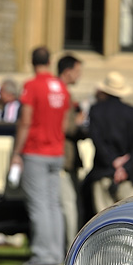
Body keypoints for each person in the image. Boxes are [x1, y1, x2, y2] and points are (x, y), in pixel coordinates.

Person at [9, 46, 70, 265]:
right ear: (50, 60)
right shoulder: (61, 87)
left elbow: (25, 120)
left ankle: (43, 255)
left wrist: (17, 152)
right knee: (54, 204)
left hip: (36, 149)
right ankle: (56, 253)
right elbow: (64, 121)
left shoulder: (32, 86)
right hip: (56, 150)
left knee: (39, 205)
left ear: (32, 61)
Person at [83, 71, 133, 216]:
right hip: (127, 176)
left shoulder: (96, 111)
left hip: (103, 171)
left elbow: (97, 140)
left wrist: (113, 162)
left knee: (102, 220)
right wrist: (124, 167)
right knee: (129, 219)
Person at [57, 54, 85, 243]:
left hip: (66, 158)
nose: (79, 76)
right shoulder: (62, 94)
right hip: (63, 158)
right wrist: (80, 121)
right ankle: (69, 249)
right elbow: (65, 127)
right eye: (77, 72)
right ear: (67, 72)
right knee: (68, 204)